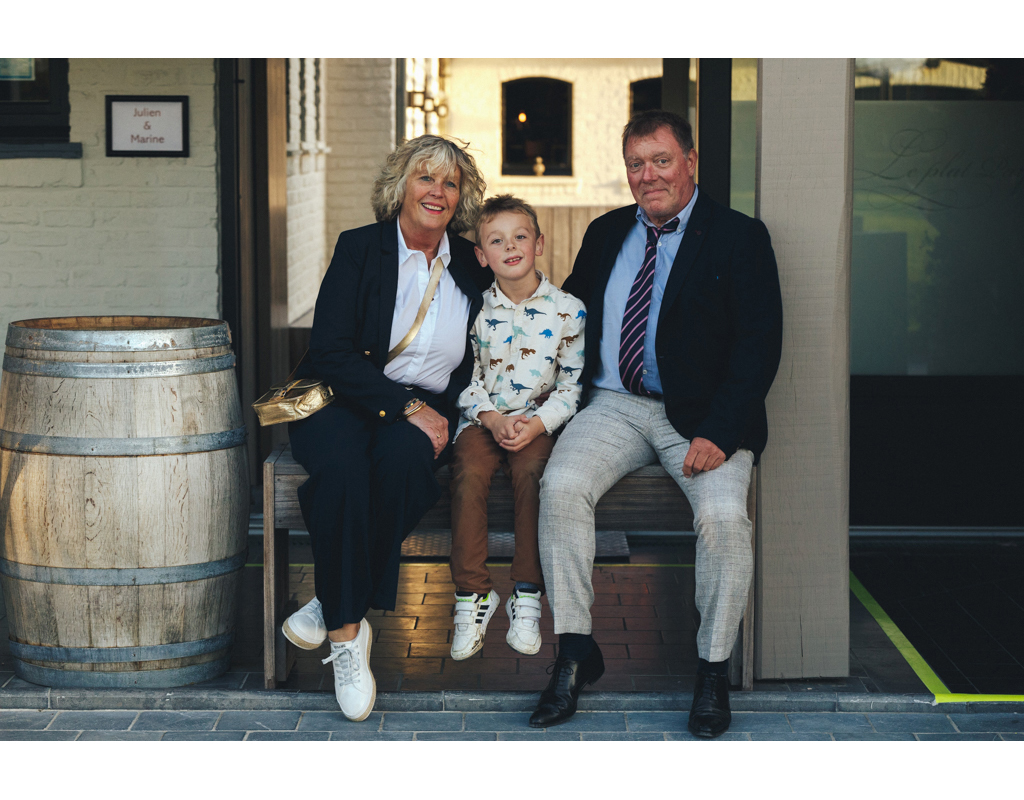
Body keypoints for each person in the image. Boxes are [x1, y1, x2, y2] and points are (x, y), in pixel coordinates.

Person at [529, 110, 783, 737]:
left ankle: (712, 667)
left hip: (701, 418)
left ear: (691, 162)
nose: (648, 176)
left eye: (661, 160)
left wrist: (721, 431)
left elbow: (760, 345)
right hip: (612, 404)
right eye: (636, 164)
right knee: (559, 488)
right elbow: (565, 316)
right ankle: (574, 651)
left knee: (725, 517)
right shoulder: (607, 230)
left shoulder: (740, 237)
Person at [282, 135, 491, 722]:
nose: (438, 191)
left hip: (428, 406)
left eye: (450, 183)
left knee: (404, 466)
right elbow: (329, 351)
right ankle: (350, 640)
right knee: (343, 472)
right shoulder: (361, 249)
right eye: (426, 178)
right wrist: (405, 407)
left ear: (460, 199)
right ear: (400, 186)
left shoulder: (473, 266)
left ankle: (330, 602)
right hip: (347, 397)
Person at [446, 195, 585, 661]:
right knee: (467, 474)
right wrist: (492, 418)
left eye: (520, 236)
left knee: (532, 477)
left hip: (538, 425)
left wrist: (537, 424)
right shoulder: (472, 312)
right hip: (483, 419)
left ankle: (526, 594)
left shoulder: (568, 310)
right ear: (481, 256)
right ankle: (472, 596)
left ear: (539, 244)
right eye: (496, 240)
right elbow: (461, 378)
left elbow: (572, 385)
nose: (510, 247)